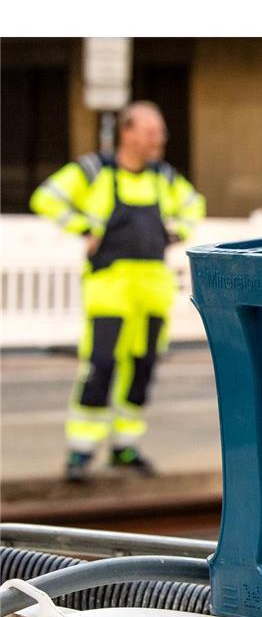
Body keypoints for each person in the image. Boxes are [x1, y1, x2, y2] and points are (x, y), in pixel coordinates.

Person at [30, 100, 206, 482]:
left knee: (142, 368)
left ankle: (125, 447)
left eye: (160, 132)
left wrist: (176, 231)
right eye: (150, 132)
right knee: (101, 366)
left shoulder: (165, 177)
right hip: (108, 289)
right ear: (126, 132)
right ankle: (81, 450)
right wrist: (81, 228)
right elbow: (45, 197)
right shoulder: (94, 171)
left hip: (152, 290)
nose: (159, 139)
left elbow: (195, 206)